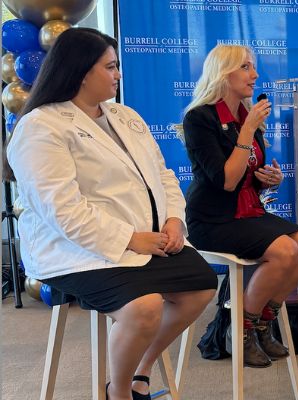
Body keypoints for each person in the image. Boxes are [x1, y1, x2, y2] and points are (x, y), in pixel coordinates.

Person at [5, 28, 217, 400]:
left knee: (200, 286)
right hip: (72, 250)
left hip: (143, 240)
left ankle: (141, 371)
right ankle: (118, 393)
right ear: (82, 71)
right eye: (111, 66)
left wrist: (172, 220)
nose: (118, 74)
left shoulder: (125, 115)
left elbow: (162, 175)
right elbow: (61, 209)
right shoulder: (40, 126)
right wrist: (130, 239)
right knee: (144, 307)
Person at [181, 44, 298, 368]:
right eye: (245, 67)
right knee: (285, 250)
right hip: (212, 219)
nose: (254, 75)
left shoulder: (247, 116)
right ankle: (239, 330)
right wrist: (246, 131)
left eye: (252, 67)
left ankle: (261, 322)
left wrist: (267, 178)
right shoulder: (199, 119)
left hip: (247, 212)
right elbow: (226, 180)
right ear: (223, 73)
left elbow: (246, 176)